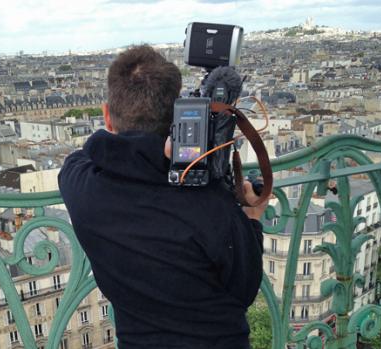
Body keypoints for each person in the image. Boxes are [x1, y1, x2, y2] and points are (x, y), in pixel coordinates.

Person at [58, 45, 268, 349]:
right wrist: (251, 219)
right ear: (180, 119)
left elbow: (79, 158)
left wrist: (150, 154)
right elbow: (245, 289)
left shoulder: (83, 190)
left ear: (106, 116)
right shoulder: (210, 203)